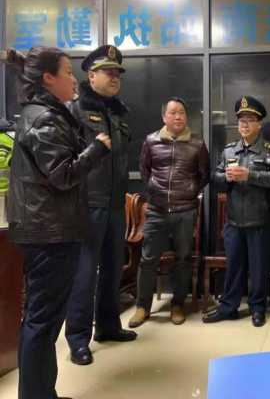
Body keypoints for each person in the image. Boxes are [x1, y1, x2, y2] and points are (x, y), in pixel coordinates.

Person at [2, 46, 111, 399]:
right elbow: (63, 174)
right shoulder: (45, 119)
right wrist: (96, 149)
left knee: (41, 320)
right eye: (67, 72)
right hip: (49, 231)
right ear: (48, 78)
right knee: (42, 322)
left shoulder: (44, 112)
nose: (74, 79)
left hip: (46, 227)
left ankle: (40, 393)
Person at [65, 45, 137, 367]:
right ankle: (78, 339)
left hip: (115, 203)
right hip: (87, 204)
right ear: (90, 76)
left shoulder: (118, 113)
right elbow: (68, 160)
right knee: (84, 273)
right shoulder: (74, 110)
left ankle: (108, 326)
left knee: (112, 268)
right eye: (107, 72)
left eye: (117, 73)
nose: (114, 77)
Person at [203, 97, 270, 328]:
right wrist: (226, 177)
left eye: (250, 120)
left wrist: (251, 175)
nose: (245, 124)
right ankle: (228, 307)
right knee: (234, 268)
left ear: (260, 124)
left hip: (259, 220)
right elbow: (215, 177)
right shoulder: (230, 150)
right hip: (233, 221)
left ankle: (257, 308)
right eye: (241, 120)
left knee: (258, 268)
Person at [129, 97, 210, 328]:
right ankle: (143, 307)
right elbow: (144, 171)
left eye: (181, 112)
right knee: (148, 260)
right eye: (173, 112)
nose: (178, 117)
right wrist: (156, 188)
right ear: (164, 117)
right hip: (157, 210)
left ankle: (178, 304)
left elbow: (204, 175)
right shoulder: (151, 141)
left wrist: (189, 191)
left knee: (183, 259)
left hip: (185, 211)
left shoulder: (197, 143)